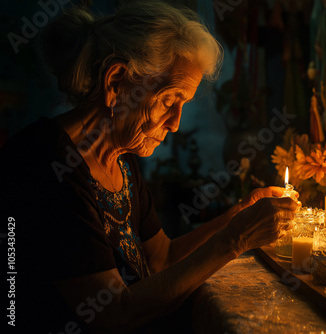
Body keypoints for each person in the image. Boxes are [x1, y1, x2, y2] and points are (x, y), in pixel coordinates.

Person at [0, 3, 299, 333]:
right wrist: (235, 240)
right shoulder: (45, 166)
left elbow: (161, 260)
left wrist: (239, 214)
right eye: (170, 101)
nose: (175, 124)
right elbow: (113, 313)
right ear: (116, 83)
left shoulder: (120, 159)